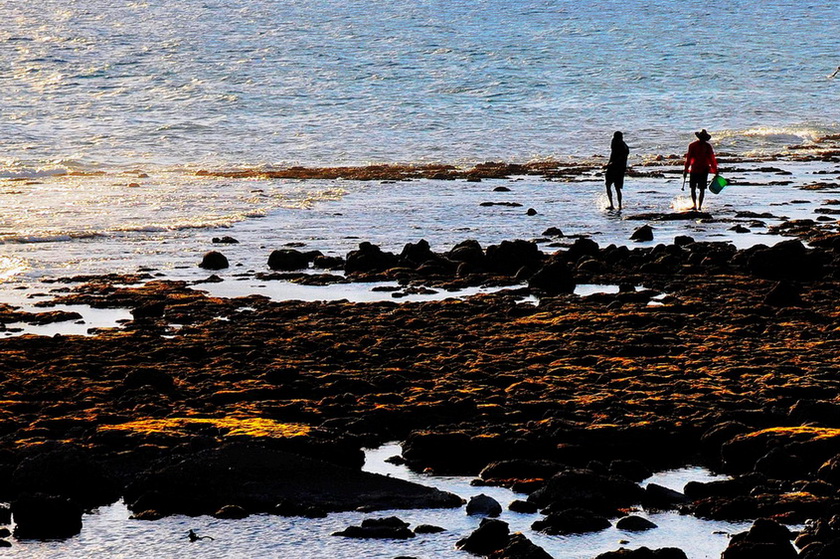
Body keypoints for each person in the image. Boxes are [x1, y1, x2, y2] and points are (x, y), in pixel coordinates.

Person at [683, 129, 718, 211]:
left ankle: (696, 206)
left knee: (694, 188)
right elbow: (712, 160)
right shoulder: (706, 146)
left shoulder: (693, 145)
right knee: (699, 189)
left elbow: (688, 159)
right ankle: (697, 206)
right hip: (701, 169)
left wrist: (685, 170)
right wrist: (715, 171)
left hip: (697, 169)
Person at [605, 131, 629, 210]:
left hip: (619, 169)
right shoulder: (614, 142)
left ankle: (619, 205)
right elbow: (612, 154)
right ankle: (612, 204)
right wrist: (609, 164)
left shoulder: (623, 147)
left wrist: (610, 164)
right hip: (613, 167)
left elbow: (621, 158)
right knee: (608, 185)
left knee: (617, 188)